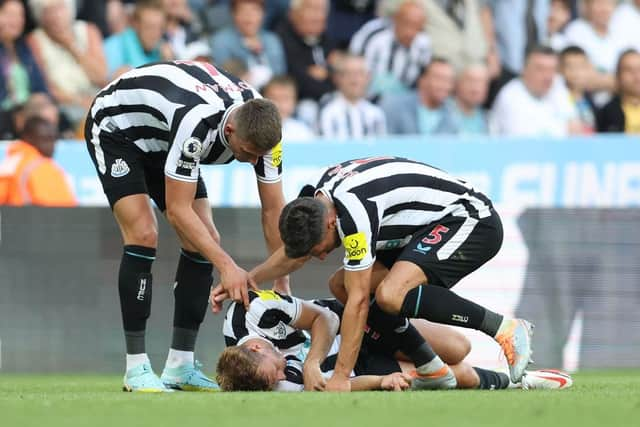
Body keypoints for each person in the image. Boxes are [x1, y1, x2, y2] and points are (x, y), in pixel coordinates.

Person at [212, 156, 534, 392]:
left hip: (469, 219)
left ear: (328, 224)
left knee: (388, 295)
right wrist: (248, 277)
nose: (322, 255)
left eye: (319, 248)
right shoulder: (321, 205)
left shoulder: (354, 216)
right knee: (339, 283)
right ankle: (430, 366)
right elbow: (296, 257)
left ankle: (504, 328)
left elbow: (359, 303)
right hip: (419, 231)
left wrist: (341, 376)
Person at [84, 60, 287, 392]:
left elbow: (273, 210)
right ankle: (135, 369)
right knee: (144, 233)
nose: (254, 162)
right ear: (232, 131)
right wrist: (228, 266)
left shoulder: (265, 132)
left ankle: (179, 367)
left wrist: (283, 285)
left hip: (164, 137)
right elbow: (178, 212)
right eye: (247, 154)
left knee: (205, 239)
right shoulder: (197, 126)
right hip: (118, 129)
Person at [216, 290, 569, 392]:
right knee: (456, 374)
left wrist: (310, 361)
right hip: (356, 366)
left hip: (359, 324)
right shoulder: (264, 385)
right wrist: (381, 381)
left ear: (258, 347)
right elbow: (343, 388)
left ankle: (505, 328)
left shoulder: (254, 311)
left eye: (274, 372)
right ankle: (519, 383)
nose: (281, 377)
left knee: (458, 346)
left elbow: (323, 318)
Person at [27, 0, 108, 127]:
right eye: (49, 11)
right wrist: (79, 101)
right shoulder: (35, 40)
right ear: (40, 16)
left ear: (70, 9)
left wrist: (71, 45)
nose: (55, 16)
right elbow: (47, 87)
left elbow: (101, 77)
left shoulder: (88, 30)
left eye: (60, 8)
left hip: (95, 96)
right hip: (65, 105)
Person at [490, 45, 579, 136]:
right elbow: (525, 143)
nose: (548, 76)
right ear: (524, 69)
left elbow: (576, 129)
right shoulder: (510, 96)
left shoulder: (558, 87)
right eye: (541, 69)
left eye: (552, 69)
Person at [349, 0, 431, 100]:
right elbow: (351, 64)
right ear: (395, 19)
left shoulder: (424, 45)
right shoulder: (372, 33)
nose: (410, 32)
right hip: (364, 96)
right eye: (406, 23)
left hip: (401, 102)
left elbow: (421, 80)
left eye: (417, 27)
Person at [0, 115, 77, 206]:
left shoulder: (9, 164)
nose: (51, 145)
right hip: (32, 219)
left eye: (53, 139)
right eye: (45, 139)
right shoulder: (41, 167)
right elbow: (63, 209)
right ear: (27, 137)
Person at [210, 0, 286, 90]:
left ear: (263, 14)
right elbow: (223, 78)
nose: (249, 16)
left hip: (272, 94)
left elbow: (280, 75)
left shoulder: (272, 40)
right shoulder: (221, 40)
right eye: (243, 11)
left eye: (254, 10)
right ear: (233, 14)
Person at [380, 58, 457, 135]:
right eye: (439, 78)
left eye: (449, 80)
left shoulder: (452, 114)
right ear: (422, 80)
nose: (445, 85)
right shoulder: (395, 106)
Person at [317, 53, 387, 138]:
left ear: (368, 78)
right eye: (349, 73)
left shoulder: (376, 114)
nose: (355, 80)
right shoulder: (328, 113)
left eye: (360, 73)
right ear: (337, 78)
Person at [103, 0, 173, 79]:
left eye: (160, 28)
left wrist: (168, 63)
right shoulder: (113, 47)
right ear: (136, 25)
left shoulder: (161, 51)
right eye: (149, 27)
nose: (155, 34)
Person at [0, 0, 48, 113]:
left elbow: (40, 85)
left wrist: (40, 99)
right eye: (10, 14)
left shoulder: (24, 47)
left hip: (32, 109)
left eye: (21, 15)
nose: (17, 20)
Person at [261, 75, 316, 142]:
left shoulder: (303, 133)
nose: (279, 104)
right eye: (274, 98)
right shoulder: (251, 132)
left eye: (285, 99)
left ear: (294, 101)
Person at [597, 49, 640, 134]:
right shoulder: (606, 113)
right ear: (618, 75)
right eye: (629, 70)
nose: (637, 75)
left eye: (639, 69)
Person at [558, 45, 598, 134]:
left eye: (581, 67)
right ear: (560, 69)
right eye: (570, 67)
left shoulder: (591, 99)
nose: (576, 72)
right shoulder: (557, 99)